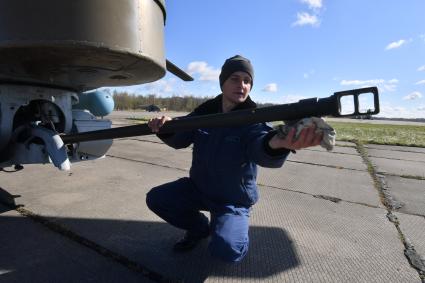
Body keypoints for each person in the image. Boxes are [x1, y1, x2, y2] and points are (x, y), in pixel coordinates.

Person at [146, 55, 322, 262]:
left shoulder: (252, 119)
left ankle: (228, 226)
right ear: (223, 83)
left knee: (227, 249)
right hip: (198, 189)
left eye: (247, 81)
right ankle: (199, 228)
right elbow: (180, 139)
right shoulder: (204, 114)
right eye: (235, 79)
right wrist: (166, 127)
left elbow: (260, 145)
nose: (242, 85)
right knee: (157, 198)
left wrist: (279, 143)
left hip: (233, 199)